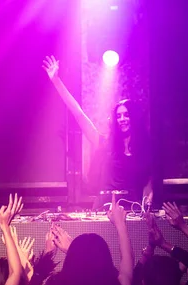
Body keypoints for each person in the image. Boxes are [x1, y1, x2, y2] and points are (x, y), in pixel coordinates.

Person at [42, 55, 153, 208]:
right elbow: (78, 114)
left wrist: (149, 194)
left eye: (126, 115)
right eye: (119, 115)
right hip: (105, 207)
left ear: (134, 118)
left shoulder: (143, 149)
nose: (122, 119)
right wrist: (56, 81)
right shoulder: (104, 142)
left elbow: (148, 179)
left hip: (131, 208)